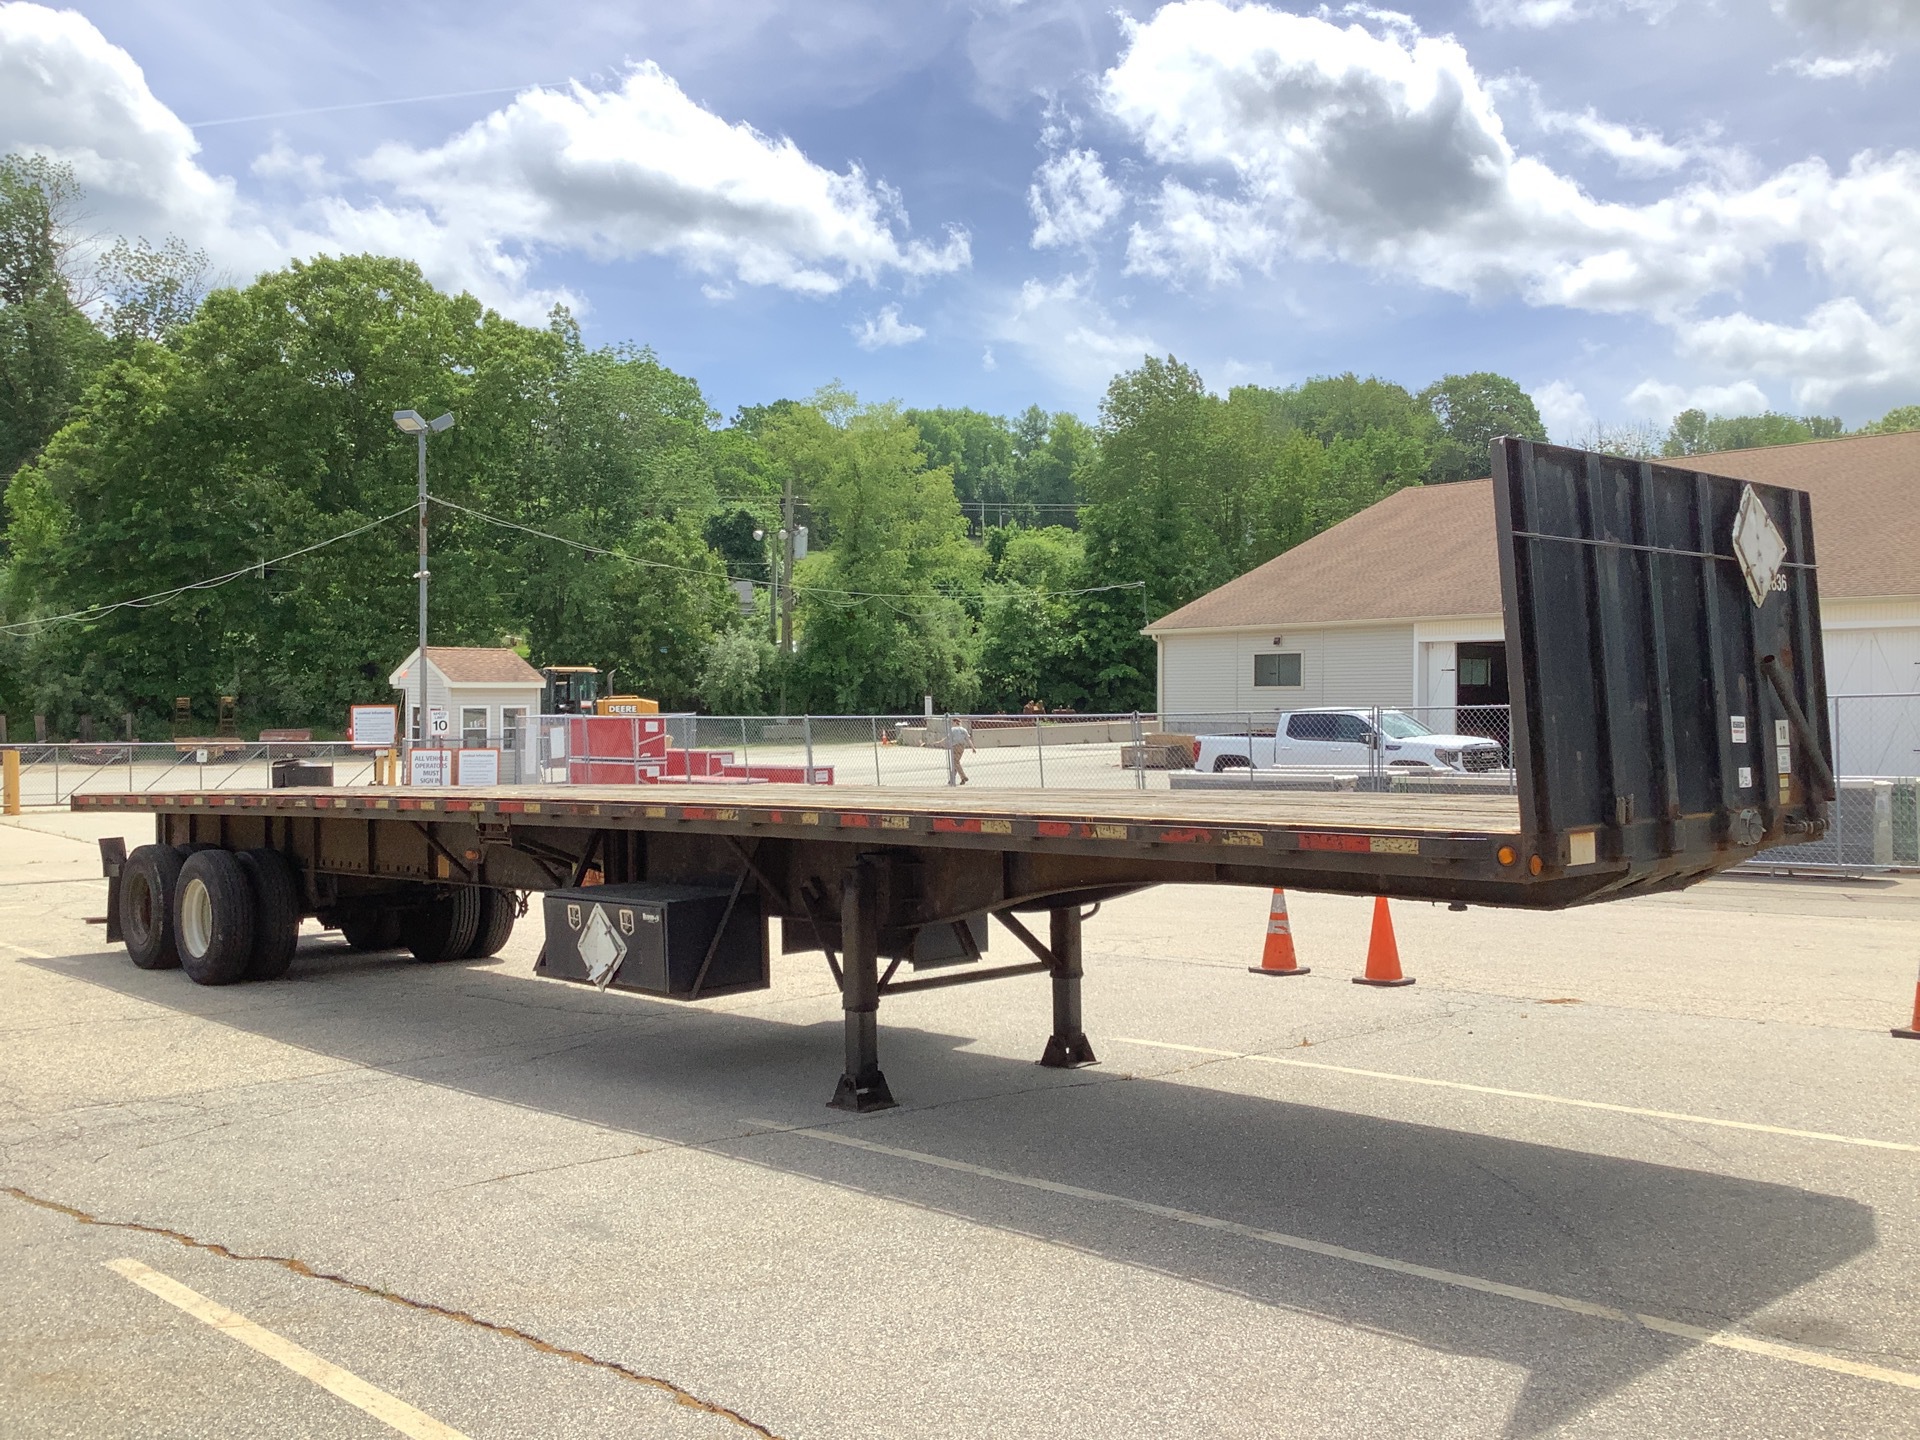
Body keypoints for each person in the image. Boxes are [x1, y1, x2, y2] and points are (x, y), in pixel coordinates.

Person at [944, 714, 973, 786]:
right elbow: (968, 739)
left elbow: (948, 738)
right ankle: (952, 779)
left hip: (955, 746)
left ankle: (963, 776)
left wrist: (943, 743)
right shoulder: (963, 729)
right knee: (956, 763)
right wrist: (973, 747)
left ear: (954, 722)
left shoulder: (952, 729)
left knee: (955, 762)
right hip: (962, 747)